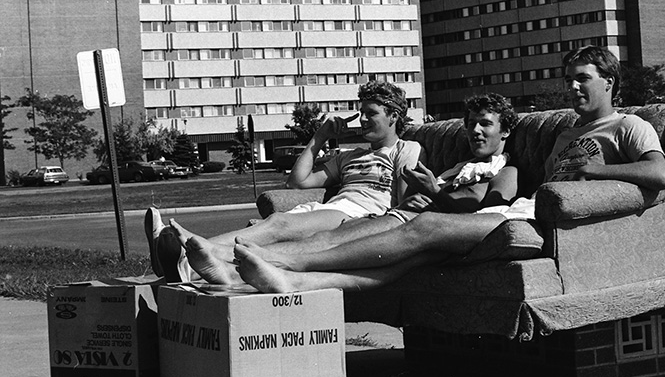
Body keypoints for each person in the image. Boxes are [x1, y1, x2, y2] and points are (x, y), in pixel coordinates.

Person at [230, 45, 665, 293]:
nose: (573, 86)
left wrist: (595, 174)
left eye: (584, 78)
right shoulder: (564, 134)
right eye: (569, 78)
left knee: (420, 228)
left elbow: (659, 176)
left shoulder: (629, 125)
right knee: (414, 256)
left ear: (609, 82)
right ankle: (293, 282)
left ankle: (282, 259)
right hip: (523, 209)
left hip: (540, 220)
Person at [167, 93, 522, 284]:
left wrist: (433, 190)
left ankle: (237, 264)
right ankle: (230, 269)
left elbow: (486, 209)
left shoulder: (505, 168)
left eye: (485, 124)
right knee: (324, 246)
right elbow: (298, 182)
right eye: (471, 124)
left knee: (320, 243)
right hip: (408, 219)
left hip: (413, 221)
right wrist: (320, 136)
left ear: (504, 131)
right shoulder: (458, 167)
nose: (475, 131)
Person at [146, 80, 423, 282]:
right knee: (273, 232)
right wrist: (320, 136)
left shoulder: (406, 149)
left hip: (359, 217)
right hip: (336, 209)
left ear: (394, 116)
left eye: (371, 113)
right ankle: (185, 264)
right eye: (361, 112)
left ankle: (185, 254)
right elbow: (298, 182)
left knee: (278, 223)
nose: (362, 119)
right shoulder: (351, 156)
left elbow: (402, 204)